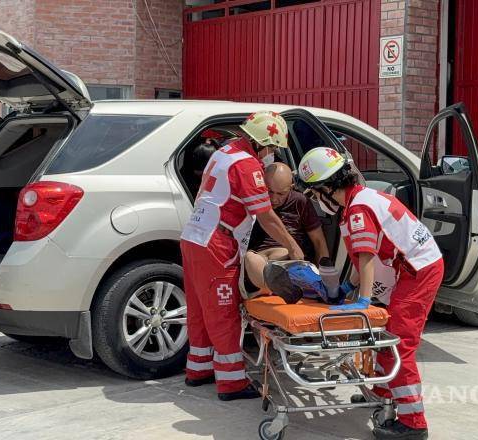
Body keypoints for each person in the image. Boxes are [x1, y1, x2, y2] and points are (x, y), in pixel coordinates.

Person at [297, 147, 444, 440]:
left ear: (326, 188)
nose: (315, 202)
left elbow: (366, 258)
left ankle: (413, 423)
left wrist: (363, 301)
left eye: (313, 194)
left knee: (398, 343)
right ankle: (380, 390)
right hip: (411, 267)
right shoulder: (359, 201)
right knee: (385, 334)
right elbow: (362, 257)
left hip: (418, 271)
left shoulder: (357, 209)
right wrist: (349, 288)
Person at [180, 111, 304, 401]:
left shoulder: (225, 152)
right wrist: (293, 246)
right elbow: (265, 215)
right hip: (216, 242)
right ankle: (232, 382)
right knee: (223, 313)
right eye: (271, 147)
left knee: (200, 309)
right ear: (261, 142)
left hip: (194, 235)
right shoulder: (247, 165)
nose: (272, 153)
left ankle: (198, 368)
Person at [243, 162, 330, 294]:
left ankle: (270, 289)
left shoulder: (300, 202)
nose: (274, 199)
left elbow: (319, 241)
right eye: (269, 191)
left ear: (291, 188)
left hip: (287, 259)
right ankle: (272, 290)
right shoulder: (255, 199)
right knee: (250, 258)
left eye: (281, 194)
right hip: (259, 261)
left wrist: (325, 278)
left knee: (279, 261)